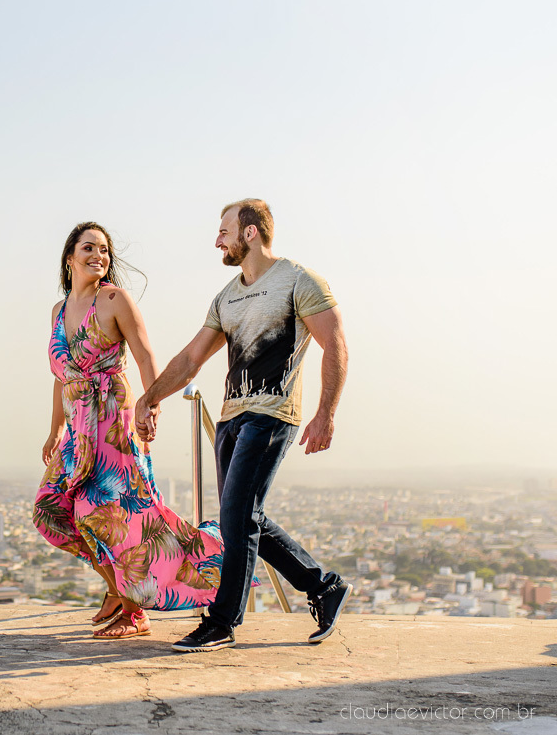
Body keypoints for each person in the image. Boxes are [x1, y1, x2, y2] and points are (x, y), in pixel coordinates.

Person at [134, 199, 352, 652]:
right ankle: (323, 586)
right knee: (244, 518)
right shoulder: (226, 296)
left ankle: (222, 621)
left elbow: (335, 344)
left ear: (250, 233)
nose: (218, 240)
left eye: (224, 231)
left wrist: (325, 413)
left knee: (236, 518)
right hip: (232, 417)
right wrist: (150, 396)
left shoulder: (298, 280)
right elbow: (192, 359)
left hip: (271, 415)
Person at [34, 221, 226, 640]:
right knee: (52, 511)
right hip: (77, 428)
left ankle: (135, 611)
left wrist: (150, 404)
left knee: (112, 515)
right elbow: (59, 376)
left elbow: (144, 355)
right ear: (70, 258)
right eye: (88, 248)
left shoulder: (115, 299)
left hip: (111, 422)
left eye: (104, 250)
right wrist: (54, 431)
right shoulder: (58, 309)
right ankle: (117, 590)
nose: (98, 256)